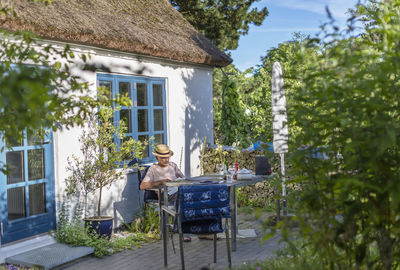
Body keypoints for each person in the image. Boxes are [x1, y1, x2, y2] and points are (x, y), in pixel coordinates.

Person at [139, 144, 191, 241]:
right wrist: (160, 182)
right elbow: (142, 186)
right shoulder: (153, 169)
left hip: (177, 190)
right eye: (163, 158)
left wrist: (181, 180)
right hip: (165, 194)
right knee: (186, 197)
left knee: (194, 195)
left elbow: (183, 179)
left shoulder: (173, 165)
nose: (166, 160)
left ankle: (202, 230)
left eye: (167, 157)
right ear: (157, 157)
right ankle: (181, 232)